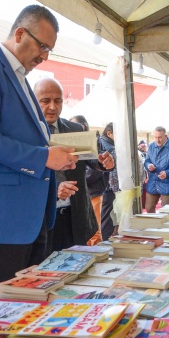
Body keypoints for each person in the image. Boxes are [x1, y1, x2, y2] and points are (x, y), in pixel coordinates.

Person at [0, 5, 80, 299]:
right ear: (20, 33)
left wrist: (56, 152)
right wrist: (43, 157)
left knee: (26, 302)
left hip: (29, 214)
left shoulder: (20, 77)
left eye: (49, 49)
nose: (45, 56)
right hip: (3, 216)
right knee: (2, 305)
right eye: (43, 46)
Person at [34, 78, 114, 250]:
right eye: (45, 101)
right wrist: (53, 189)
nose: (53, 107)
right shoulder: (26, 133)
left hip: (75, 217)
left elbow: (90, 158)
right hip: (41, 219)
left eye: (58, 101)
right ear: (34, 101)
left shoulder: (75, 129)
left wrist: (102, 162)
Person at [69, 115, 103, 246]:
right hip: (80, 194)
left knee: (93, 228)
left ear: (82, 127)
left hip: (91, 192)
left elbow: (93, 169)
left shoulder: (92, 142)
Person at [144, 126, 169, 213]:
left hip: (167, 183)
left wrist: (167, 173)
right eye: (155, 137)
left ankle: (163, 226)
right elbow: (146, 161)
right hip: (153, 183)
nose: (157, 140)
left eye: (160, 137)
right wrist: (149, 165)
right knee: (149, 208)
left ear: (165, 136)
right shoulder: (151, 146)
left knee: (166, 211)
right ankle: (152, 226)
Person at [98, 123, 119, 240]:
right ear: (109, 133)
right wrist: (115, 189)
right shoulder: (108, 146)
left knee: (106, 219)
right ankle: (103, 244)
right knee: (107, 220)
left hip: (105, 187)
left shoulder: (105, 143)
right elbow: (112, 172)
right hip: (108, 188)